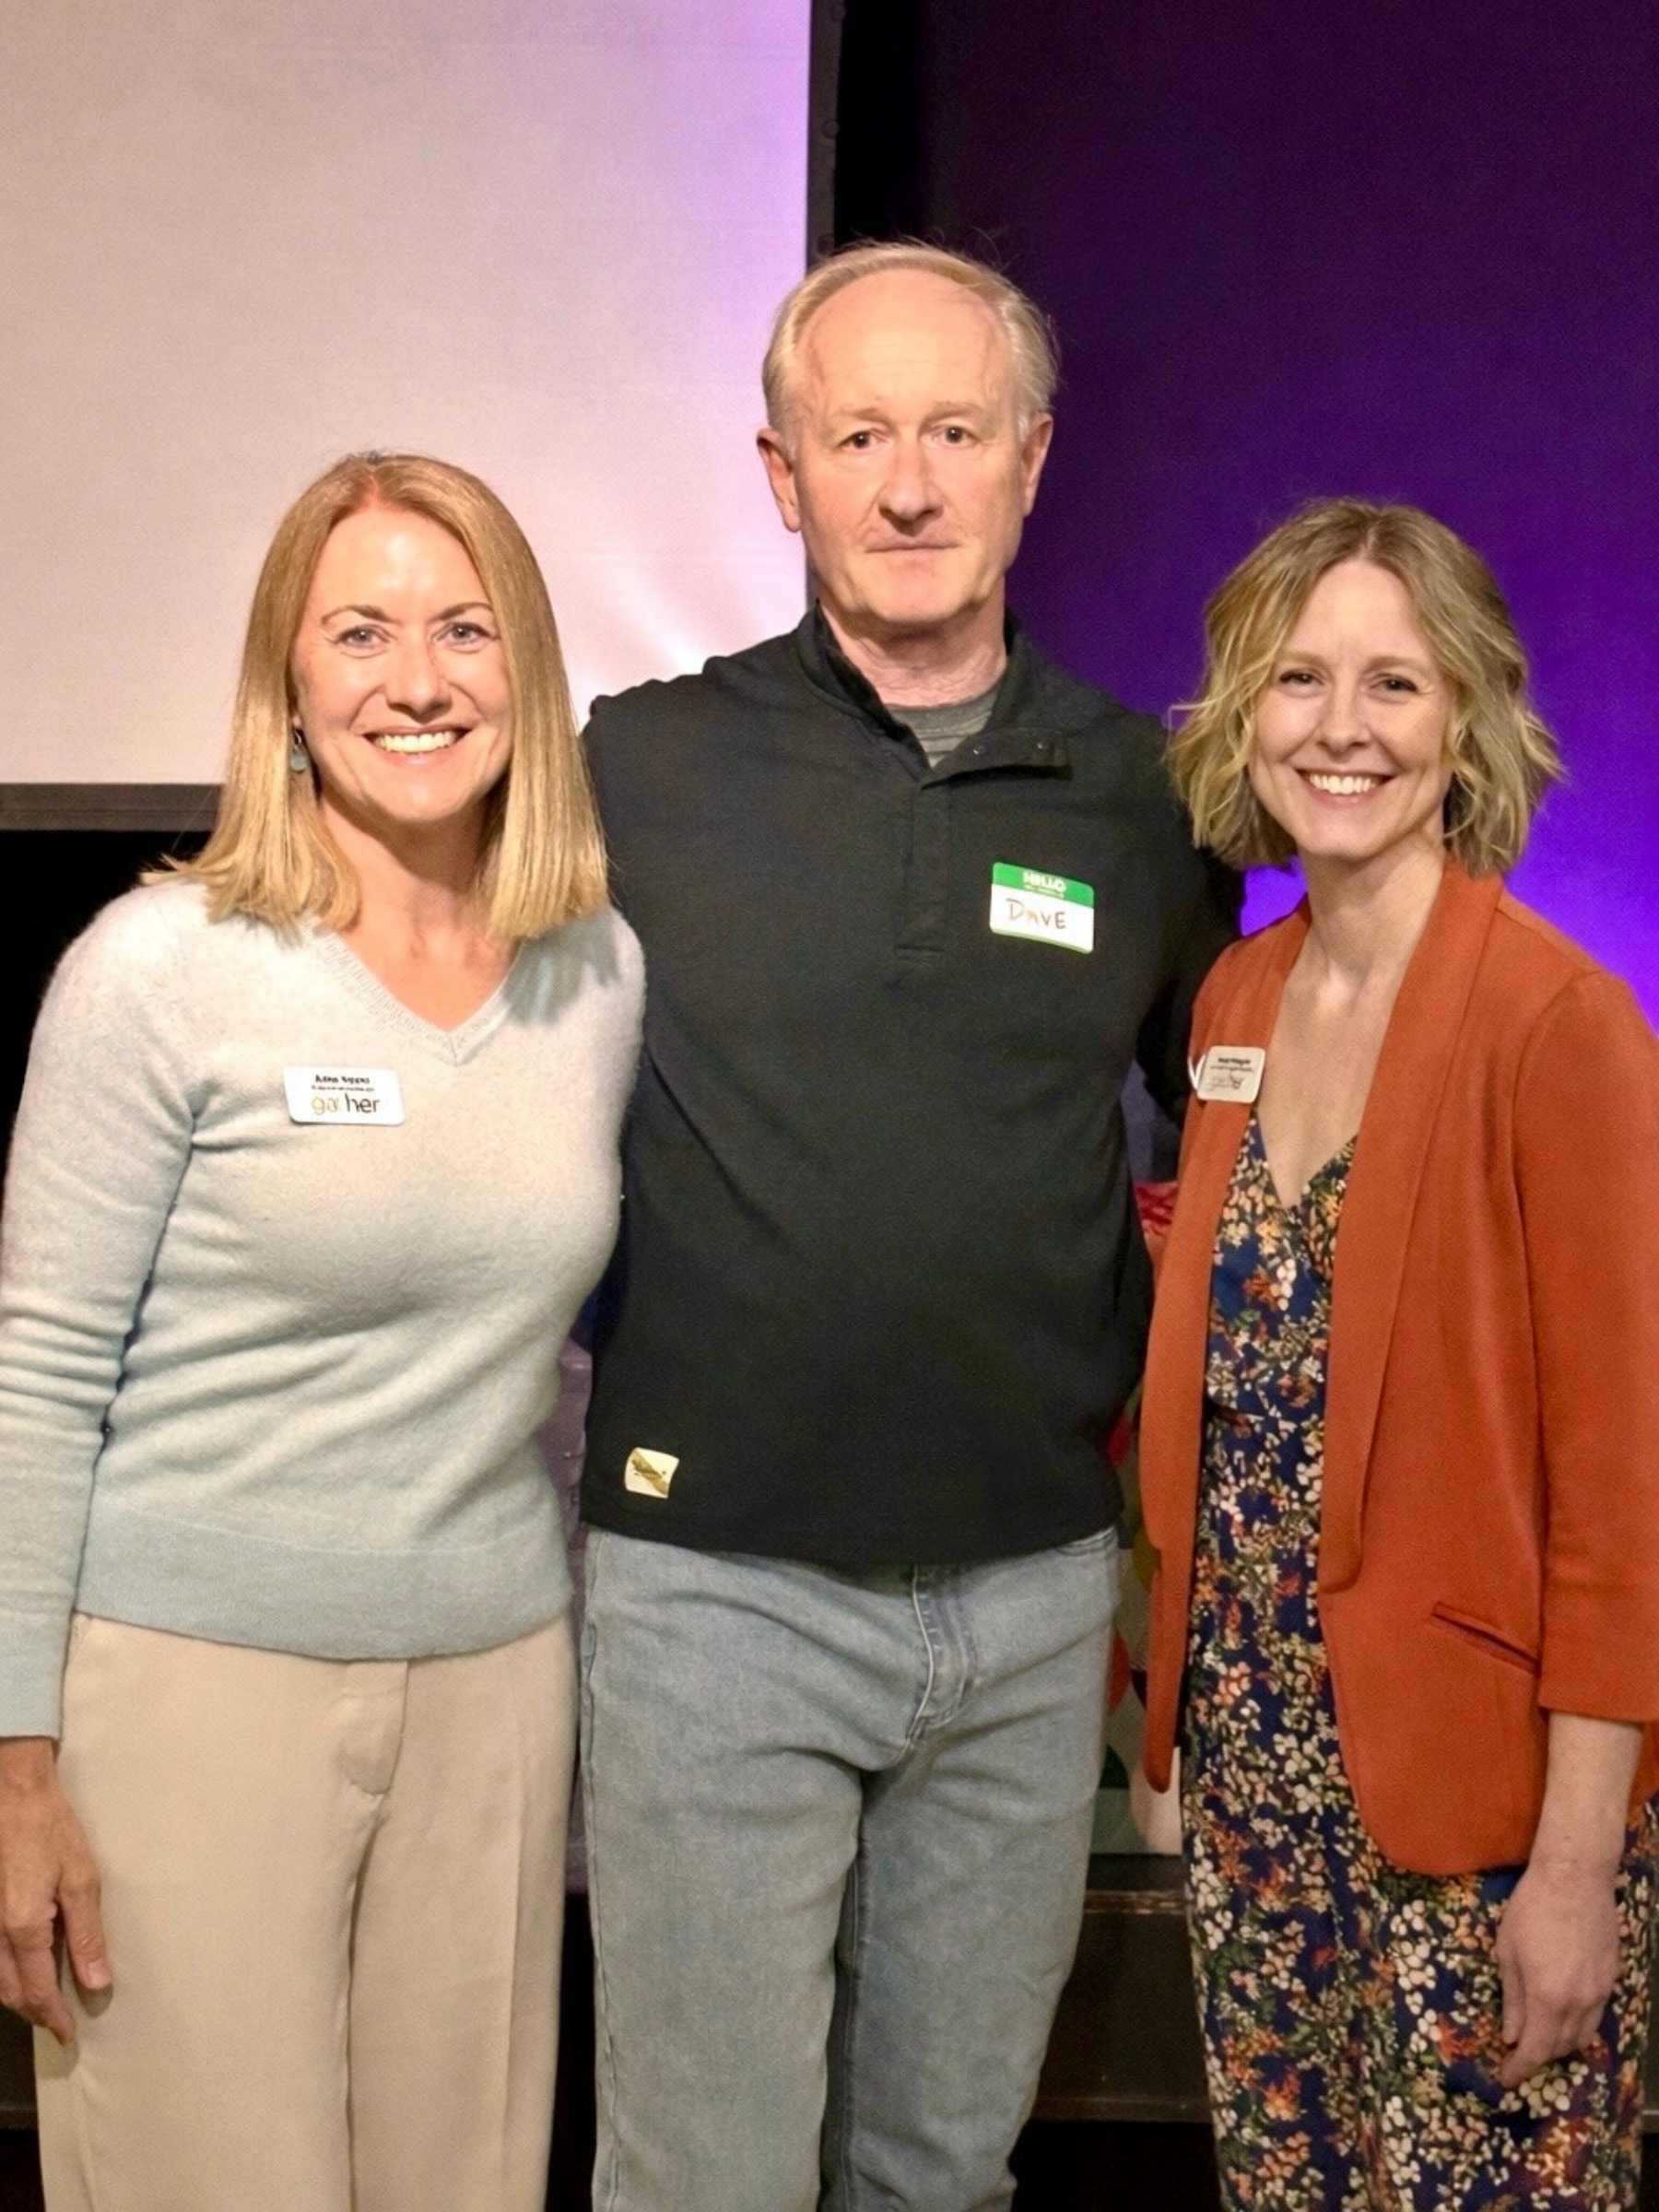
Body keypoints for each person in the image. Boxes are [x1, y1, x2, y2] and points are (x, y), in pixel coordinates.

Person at [578, 241, 1238, 2211]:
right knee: (704, 2176)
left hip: (1034, 1604)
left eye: (954, 431)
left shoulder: (1150, 795)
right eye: (856, 435)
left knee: (945, 2170)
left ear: (1031, 462)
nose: (910, 483)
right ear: (780, 476)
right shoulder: (640, 766)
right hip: (714, 1595)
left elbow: (1250, 1117)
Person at [0, 453, 643, 2212]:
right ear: (287, 684)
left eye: (462, 629)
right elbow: (38, 1380)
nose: (416, 681)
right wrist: (12, 1763)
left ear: (527, 669)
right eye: (357, 632)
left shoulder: (595, 973)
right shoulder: (156, 968)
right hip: (189, 1700)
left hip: (495, 1687)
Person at [1138, 498, 1659, 2207]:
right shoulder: (1233, 1004)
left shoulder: (1556, 1023)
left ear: (1466, 721)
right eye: (1297, 679)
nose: (1340, 728)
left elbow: (1622, 1496)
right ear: (1240, 711)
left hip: (1476, 1826)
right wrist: (1167, 1729)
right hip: (1256, 1800)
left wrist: (1578, 1866)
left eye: (1394, 683)